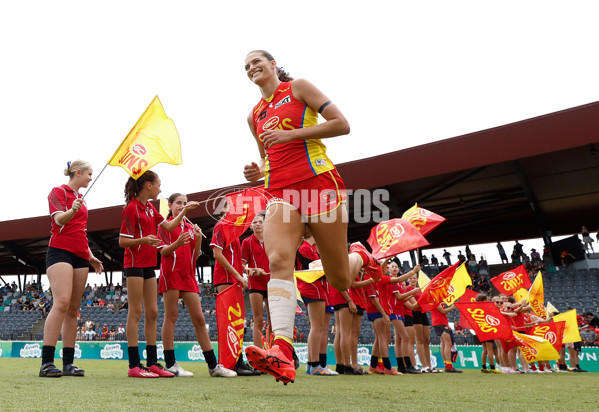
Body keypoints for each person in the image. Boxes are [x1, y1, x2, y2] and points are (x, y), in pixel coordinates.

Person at [242, 50, 369, 385]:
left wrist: (291, 135)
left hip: (318, 184)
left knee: (340, 279)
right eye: (247, 66)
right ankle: (282, 348)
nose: (252, 67)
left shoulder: (298, 87)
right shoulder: (254, 114)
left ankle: (359, 257)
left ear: (273, 65)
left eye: (258, 61)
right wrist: (257, 170)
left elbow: (342, 125)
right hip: (280, 192)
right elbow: (268, 157)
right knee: (279, 259)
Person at [118, 170, 198, 378]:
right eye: (159, 184)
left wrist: (184, 211)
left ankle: (152, 362)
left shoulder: (151, 209)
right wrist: (144, 240)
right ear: (148, 186)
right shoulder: (131, 208)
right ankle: (134, 365)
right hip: (134, 264)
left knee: (152, 312)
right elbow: (122, 241)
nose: (161, 188)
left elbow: (170, 225)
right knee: (136, 312)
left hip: (148, 265)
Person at [158, 193, 236, 378]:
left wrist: (199, 239)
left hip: (188, 276)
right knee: (172, 316)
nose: (182, 206)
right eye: (179, 203)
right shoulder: (165, 225)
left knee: (200, 319)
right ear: (170, 205)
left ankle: (213, 365)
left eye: (184, 203)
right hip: (171, 274)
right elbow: (164, 253)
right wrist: (177, 243)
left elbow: (194, 257)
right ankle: (170, 364)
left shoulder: (190, 227)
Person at [40, 160, 103, 377]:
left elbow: (80, 232)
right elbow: (59, 221)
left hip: (81, 256)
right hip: (60, 251)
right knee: (62, 303)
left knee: (74, 309)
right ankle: (47, 362)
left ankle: (68, 364)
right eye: (89, 174)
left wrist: (92, 257)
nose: (90, 178)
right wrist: (71, 210)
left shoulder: (82, 200)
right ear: (77, 172)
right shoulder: (59, 192)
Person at [210, 202, 257, 377]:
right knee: (230, 322)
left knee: (237, 322)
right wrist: (238, 275)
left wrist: (245, 270)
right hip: (226, 278)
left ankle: (237, 361)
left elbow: (234, 257)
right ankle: (230, 362)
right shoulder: (221, 227)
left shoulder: (234, 230)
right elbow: (217, 254)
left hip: (234, 278)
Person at [241, 212, 271, 349]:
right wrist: (253, 270)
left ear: (266, 223)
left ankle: (271, 352)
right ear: (250, 226)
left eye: (260, 221)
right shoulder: (247, 242)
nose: (258, 224)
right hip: (255, 284)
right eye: (255, 222)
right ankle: (258, 354)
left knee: (272, 321)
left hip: (272, 283)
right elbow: (241, 266)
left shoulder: (274, 240)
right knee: (258, 320)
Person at [431, 303, 461, 373]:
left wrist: (446, 323)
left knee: (444, 344)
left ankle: (447, 364)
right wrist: (452, 307)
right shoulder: (436, 299)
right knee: (448, 343)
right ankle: (449, 366)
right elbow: (443, 311)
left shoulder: (438, 299)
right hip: (440, 322)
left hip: (439, 322)